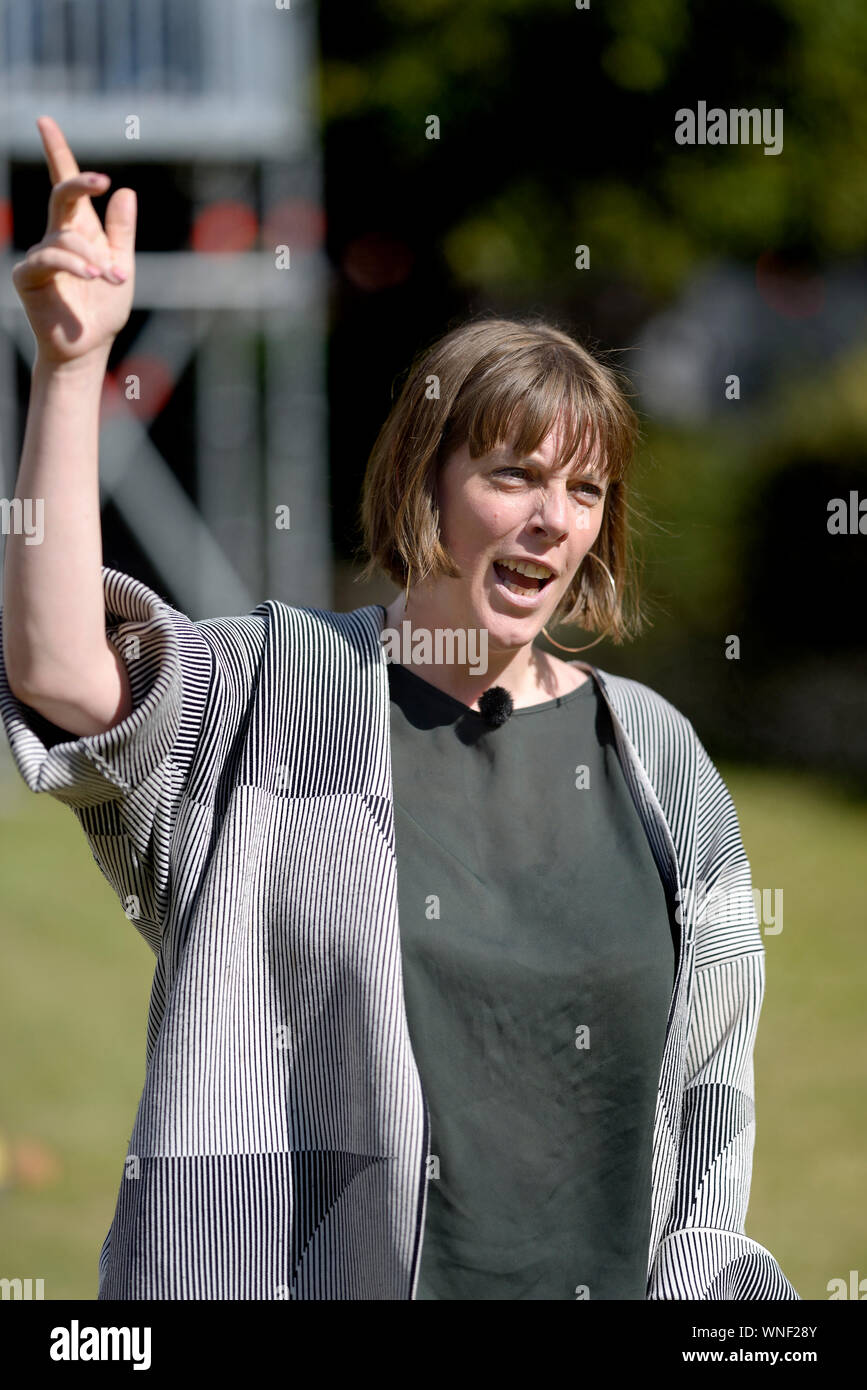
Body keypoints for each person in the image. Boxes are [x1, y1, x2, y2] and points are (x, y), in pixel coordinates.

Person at [0, 116, 799, 1301]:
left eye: (585, 489)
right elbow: (60, 667)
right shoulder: (277, 692)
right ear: (425, 482)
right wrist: (70, 374)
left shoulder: (658, 756)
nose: (553, 519)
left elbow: (713, 1095)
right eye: (514, 474)